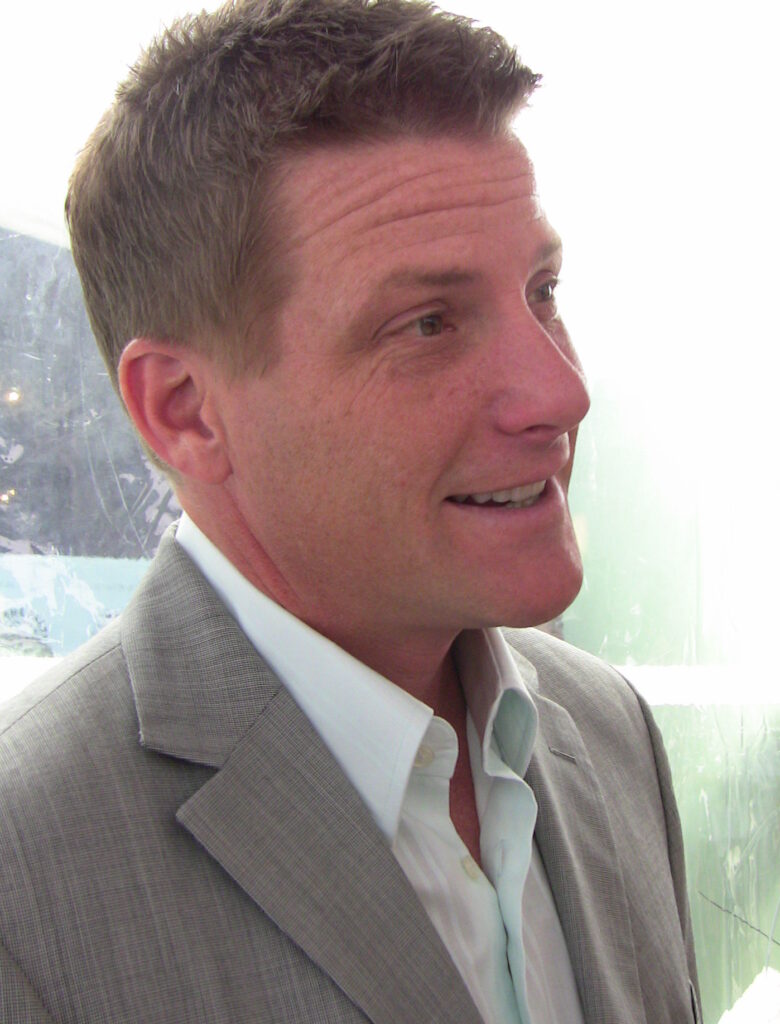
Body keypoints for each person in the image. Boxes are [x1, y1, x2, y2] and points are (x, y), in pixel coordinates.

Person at [0, 1, 700, 1021]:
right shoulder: (26, 873)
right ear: (185, 411)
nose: (562, 392)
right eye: (428, 324)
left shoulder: (608, 729)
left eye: (544, 290)